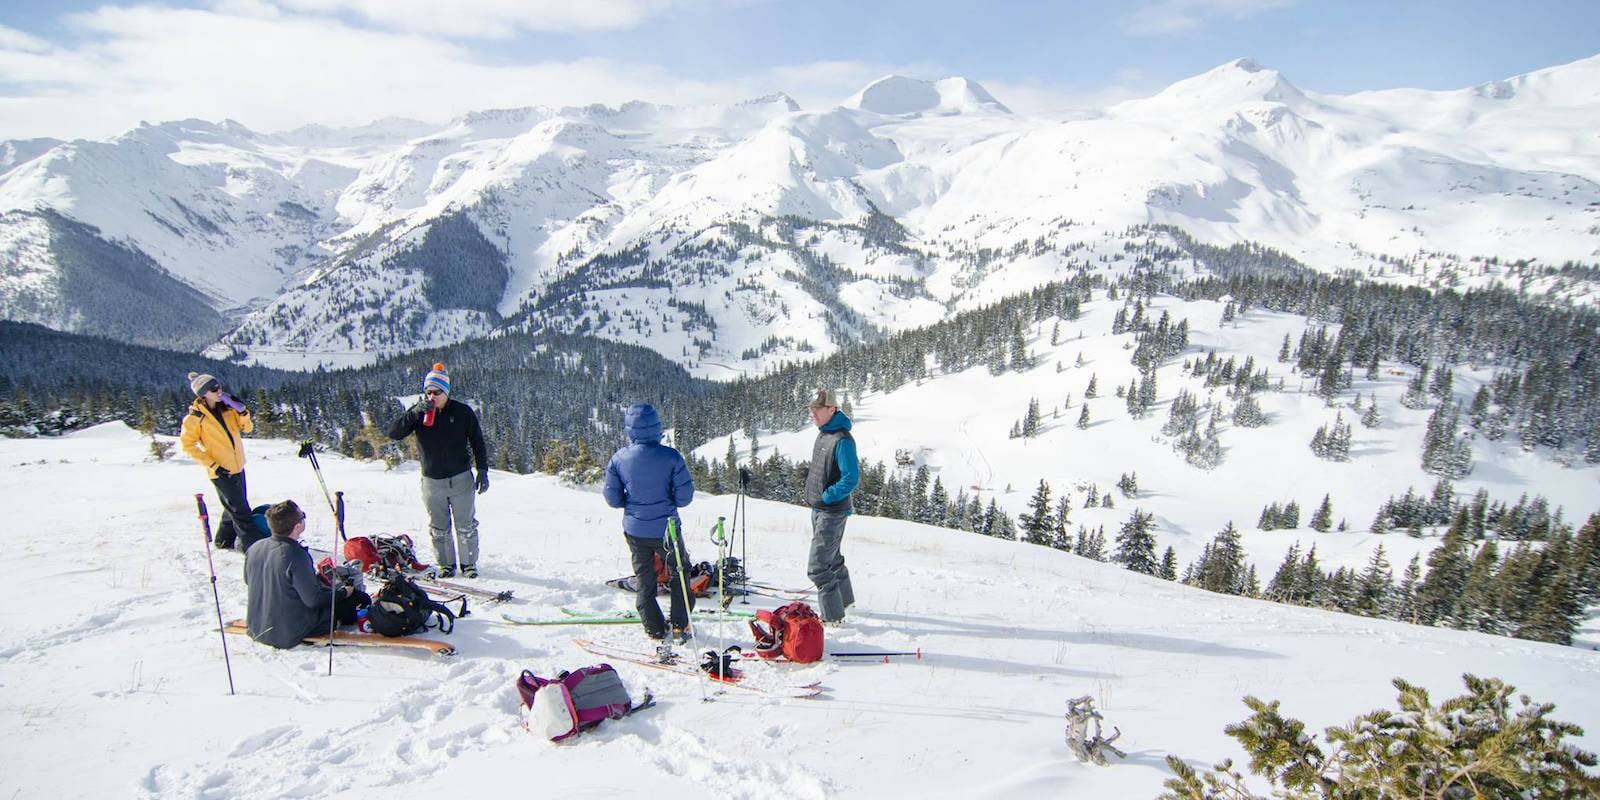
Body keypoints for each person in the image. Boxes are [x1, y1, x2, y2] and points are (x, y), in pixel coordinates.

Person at [602, 403, 696, 641]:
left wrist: (633, 503)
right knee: (680, 573)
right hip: (667, 531)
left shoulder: (618, 459)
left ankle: (653, 627)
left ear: (630, 429)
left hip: (635, 529)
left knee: (644, 578)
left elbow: (613, 499)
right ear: (656, 427)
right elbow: (684, 499)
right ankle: (680, 624)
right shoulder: (671, 457)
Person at [387, 362, 489, 579]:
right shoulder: (420, 414)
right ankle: (446, 565)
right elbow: (394, 433)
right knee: (439, 527)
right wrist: (414, 413)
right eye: (428, 391)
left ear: (446, 391)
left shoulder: (462, 412)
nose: (432, 396)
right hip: (432, 481)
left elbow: (478, 442)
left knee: (466, 525)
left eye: (437, 392)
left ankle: (469, 565)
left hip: (461, 479)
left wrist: (483, 470)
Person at [244, 500, 362, 649]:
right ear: (297, 526)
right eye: (303, 517)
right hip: (287, 632)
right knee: (349, 603)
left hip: (257, 626)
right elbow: (313, 600)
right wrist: (344, 592)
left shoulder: (255, 547)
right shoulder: (294, 554)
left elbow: (251, 581)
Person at [179, 372, 269, 553]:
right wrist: (212, 465)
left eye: (219, 386)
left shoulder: (227, 409)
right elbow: (187, 445)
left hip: (237, 466)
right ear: (203, 393)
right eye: (213, 389)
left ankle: (223, 540)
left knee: (234, 506)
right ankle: (254, 549)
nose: (219, 390)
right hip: (220, 471)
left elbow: (247, 428)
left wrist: (242, 412)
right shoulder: (195, 418)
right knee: (242, 512)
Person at [805, 389, 858, 624]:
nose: (812, 413)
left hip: (831, 512)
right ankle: (846, 603)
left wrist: (827, 496)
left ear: (832, 409)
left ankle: (833, 618)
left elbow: (851, 478)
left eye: (817, 409)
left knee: (818, 567)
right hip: (819, 509)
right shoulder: (824, 434)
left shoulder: (842, 440)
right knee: (832, 558)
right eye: (811, 409)